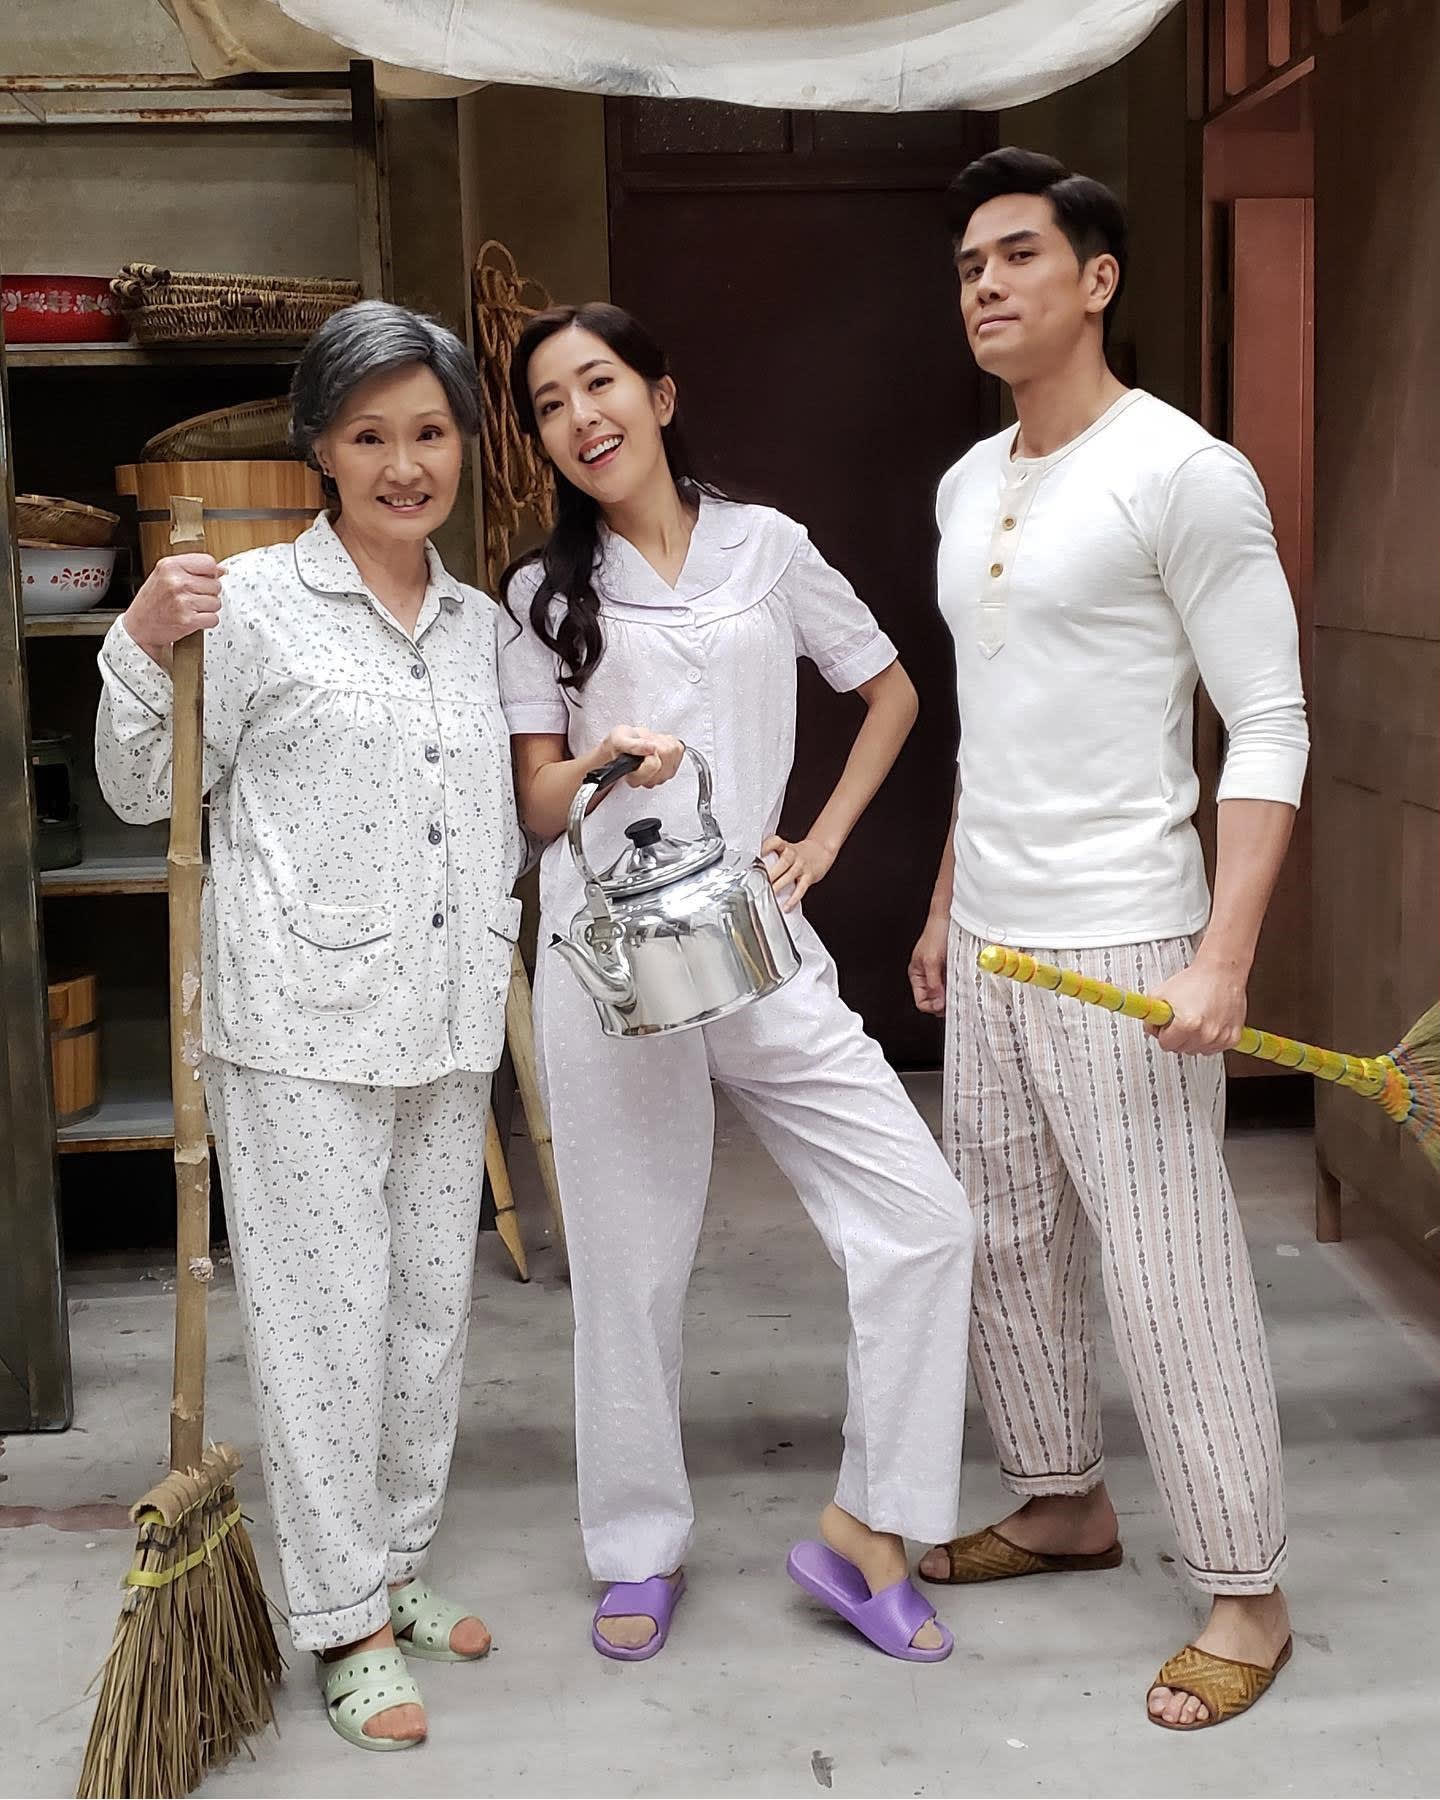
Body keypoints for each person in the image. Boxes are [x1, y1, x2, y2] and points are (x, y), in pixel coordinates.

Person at [497, 302, 974, 1664]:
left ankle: (869, 1530)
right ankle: (637, 1549)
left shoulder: (769, 549)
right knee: (630, 1265)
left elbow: (890, 693)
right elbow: (536, 804)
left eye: (599, 384)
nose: (581, 418)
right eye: (549, 405)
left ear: (659, 394)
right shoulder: (543, 598)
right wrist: (602, 762)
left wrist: (819, 841)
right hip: (611, 962)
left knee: (923, 1220)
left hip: (757, 943)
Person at [908, 148, 1310, 1730]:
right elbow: (990, 719)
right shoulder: (967, 482)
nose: (986, 286)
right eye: (968, 266)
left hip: (1133, 934)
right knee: (1005, 1236)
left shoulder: (1184, 472)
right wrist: (948, 898)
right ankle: (1062, 1497)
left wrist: (1225, 956)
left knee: (1167, 1266)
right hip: (997, 937)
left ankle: (1247, 1586)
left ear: (1098, 279)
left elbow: (1270, 723)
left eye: (1017, 255)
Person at [96, 301, 523, 1753]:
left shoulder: (477, 626)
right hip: (298, 1031)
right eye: (371, 436)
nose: (406, 464)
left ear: (462, 444)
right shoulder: (255, 603)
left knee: (426, 1317)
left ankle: (393, 1566)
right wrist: (138, 641)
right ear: (320, 452)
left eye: (431, 432)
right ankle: (341, 1619)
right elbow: (141, 789)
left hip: (446, 1020)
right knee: (326, 1329)